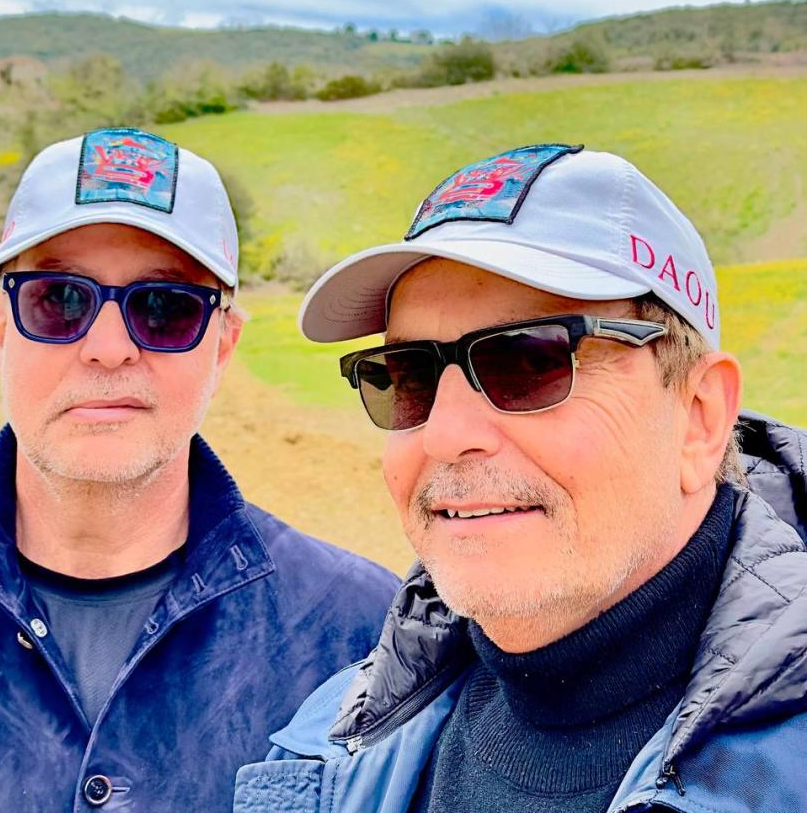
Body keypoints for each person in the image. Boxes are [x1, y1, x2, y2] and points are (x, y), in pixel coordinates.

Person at [234, 144, 807, 812]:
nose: (445, 435)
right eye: (410, 377)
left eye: (527, 362)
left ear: (699, 417)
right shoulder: (328, 752)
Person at [0, 127, 398, 811]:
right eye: (58, 300)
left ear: (224, 344)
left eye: (164, 309)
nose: (109, 349)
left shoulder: (367, 642)